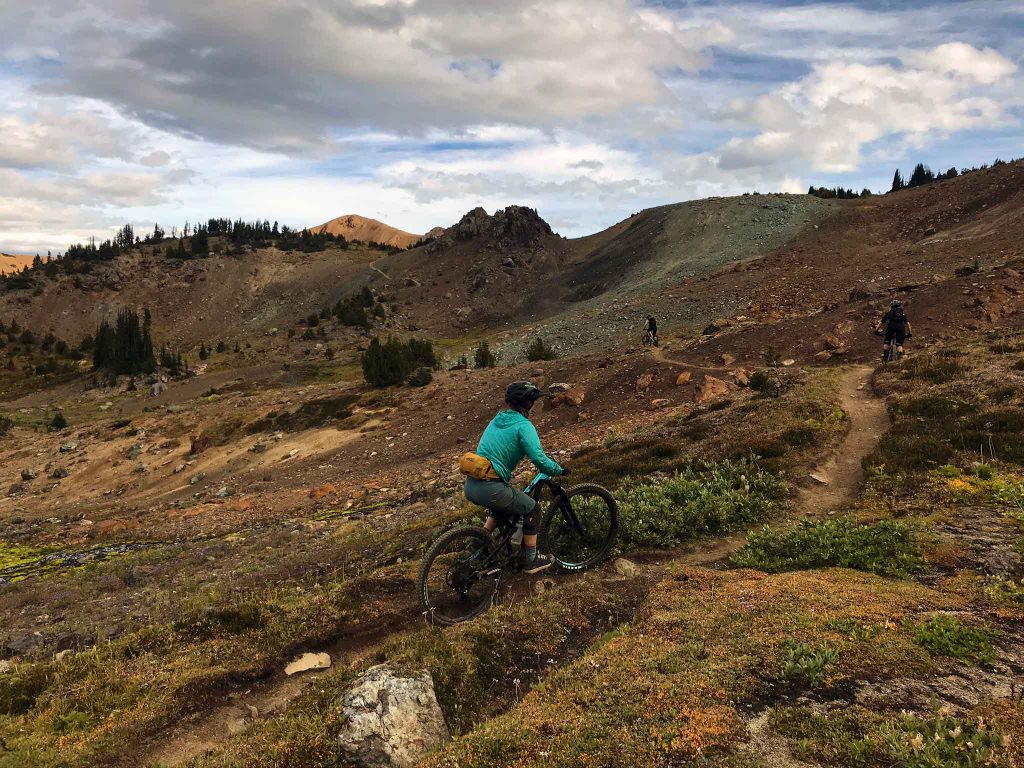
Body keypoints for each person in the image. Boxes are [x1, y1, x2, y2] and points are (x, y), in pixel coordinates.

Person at [462, 381, 565, 574]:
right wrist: (557, 469)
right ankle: (532, 560)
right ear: (528, 404)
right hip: (491, 488)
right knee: (532, 509)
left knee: (501, 508)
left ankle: (479, 545)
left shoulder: (497, 419)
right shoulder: (523, 426)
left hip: (472, 485)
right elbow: (538, 458)